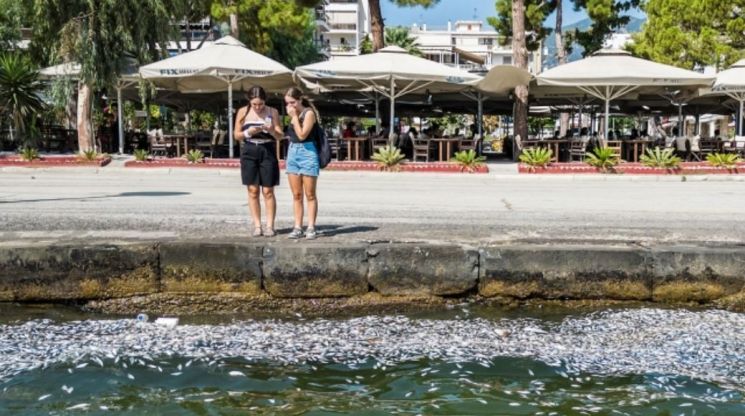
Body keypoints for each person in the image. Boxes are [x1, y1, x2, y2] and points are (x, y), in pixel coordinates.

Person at [234, 85, 283, 237]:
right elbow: (236, 135)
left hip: (267, 149)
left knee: (268, 190)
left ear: (265, 101)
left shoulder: (272, 111)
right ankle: (257, 225)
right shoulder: (243, 111)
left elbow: (280, 135)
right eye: (254, 104)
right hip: (249, 149)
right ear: (250, 101)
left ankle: (270, 226)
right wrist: (249, 132)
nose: (258, 107)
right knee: (252, 190)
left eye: (260, 104)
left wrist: (271, 130)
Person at [284, 87, 321, 240]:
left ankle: (311, 226)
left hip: (307, 152)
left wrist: (294, 118)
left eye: (292, 102)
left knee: (310, 194)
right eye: (287, 103)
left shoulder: (308, 114)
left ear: (299, 100)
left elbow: (302, 134)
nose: (290, 106)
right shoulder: (293, 113)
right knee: (296, 194)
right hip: (293, 152)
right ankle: (297, 226)